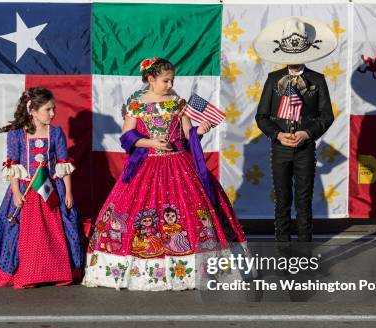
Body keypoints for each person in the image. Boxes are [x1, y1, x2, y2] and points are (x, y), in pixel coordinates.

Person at [83, 57, 251, 291]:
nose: (170, 84)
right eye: (165, 80)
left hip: (179, 164)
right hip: (147, 164)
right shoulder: (137, 104)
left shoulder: (178, 103)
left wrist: (200, 130)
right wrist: (151, 141)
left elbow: (187, 135)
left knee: (193, 211)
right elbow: (127, 137)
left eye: (172, 79)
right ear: (150, 79)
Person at [0, 87, 82, 289]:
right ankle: (28, 271)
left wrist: (69, 192)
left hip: (51, 190)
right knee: (25, 235)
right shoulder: (16, 134)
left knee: (56, 232)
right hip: (26, 190)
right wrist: (16, 193)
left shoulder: (55, 133)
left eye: (53, 109)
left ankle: (56, 271)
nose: (53, 114)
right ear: (33, 110)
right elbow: (12, 165)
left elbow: (62, 164)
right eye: (48, 109)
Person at [254, 16, 336, 242]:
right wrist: (278, 134)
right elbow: (261, 116)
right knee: (282, 198)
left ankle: (305, 247)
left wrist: (306, 133)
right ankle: (281, 246)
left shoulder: (317, 80)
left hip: (305, 148)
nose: (295, 60)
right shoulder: (273, 79)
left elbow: (326, 115)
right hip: (280, 148)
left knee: (303, 199)